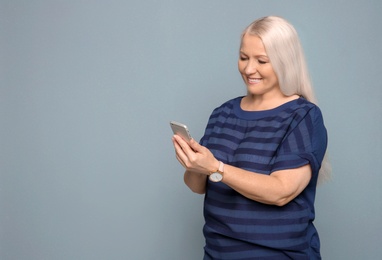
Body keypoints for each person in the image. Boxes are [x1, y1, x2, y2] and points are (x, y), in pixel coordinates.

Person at [172, 16, 330, 259]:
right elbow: (196, 186)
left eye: (262, 61)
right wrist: (194, 165)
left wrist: (217, 167)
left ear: (285, 62)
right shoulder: (222, 113)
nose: (248, 69)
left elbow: (281, 191)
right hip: (217, 253)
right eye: (243, 57)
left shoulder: (303, 116)